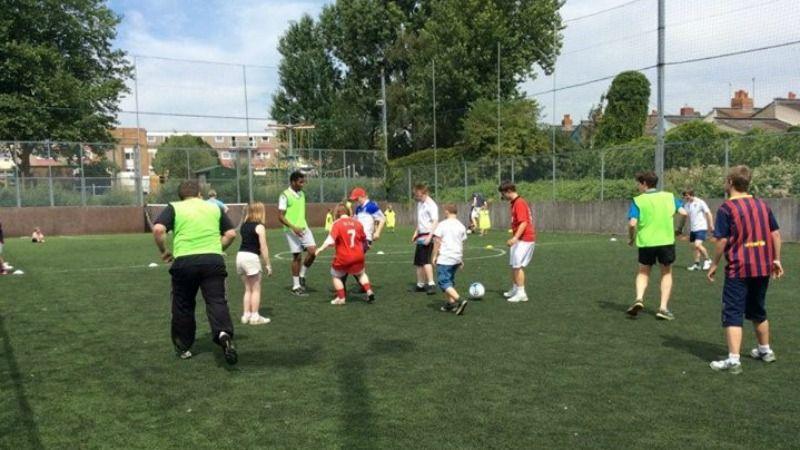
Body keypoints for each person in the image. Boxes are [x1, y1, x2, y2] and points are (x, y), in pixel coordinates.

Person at [707, 166, 784, 374]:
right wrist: (776, 260)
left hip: (738, 269)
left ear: (730, 182)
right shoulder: (762, 205)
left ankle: (733, 360)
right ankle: (765, 350)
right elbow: (775, 234)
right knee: (758, 309)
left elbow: (722, 240)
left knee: (733, 312)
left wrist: (714, 264)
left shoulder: (726, 209)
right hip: (762, 267)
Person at [152, 180, 238, 365]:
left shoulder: (175, 207)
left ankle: (184, 347)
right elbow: (231, 233)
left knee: (183, 305)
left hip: (184, 262)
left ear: (180, 196)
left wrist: (163, 251)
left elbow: (158, 229)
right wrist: (217, 247)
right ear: (200, 193)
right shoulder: (214, 208)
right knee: (216, 300)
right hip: (212, 261)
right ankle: (223, 334)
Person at [626, 171, 687, 321]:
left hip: (646, 242)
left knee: (643, 272)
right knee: (666, 273)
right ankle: (663, 308)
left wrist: (631, 238)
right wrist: (679, 229)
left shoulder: (638, 200)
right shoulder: (669, 197)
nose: (638, 187)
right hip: (666, 241)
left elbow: (632, 223)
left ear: (644, 184)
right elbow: (684, 213)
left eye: (639, 184)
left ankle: (639, 298)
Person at [316, 204, 375, 306]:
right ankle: (369, 291)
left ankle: (341, 297)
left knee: (335, 275)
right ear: (348, 212)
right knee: (361, 274)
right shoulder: (358, 223)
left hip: (344, 257)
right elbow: (363, 239)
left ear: (337, 213)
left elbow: (330, 240)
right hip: (358, 255)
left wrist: (320, 248)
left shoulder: (337, 224)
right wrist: (367, 246)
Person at [278, 171, 317, 296]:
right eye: (300, 182)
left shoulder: (302, 194)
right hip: (291, 231)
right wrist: (293, 227)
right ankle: (296, 286)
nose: (302, 184)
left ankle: (302, 275)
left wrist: (301, 226)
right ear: (293, 182)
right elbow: (280, 216)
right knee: (297, 257)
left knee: (312, 251)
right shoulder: (284, 195)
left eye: (303, 182)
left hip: (304, 228)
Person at [236, 202, 273, 325]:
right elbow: (263, 247)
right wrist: (268, 264)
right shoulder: (260, 226)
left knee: (247, 289)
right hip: (251, 258)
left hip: (240, 256)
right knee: (256, 289)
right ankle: (255, 316)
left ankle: (246, 315)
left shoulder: (244, 226)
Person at [498, 182, 536, 303]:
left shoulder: (519, 203)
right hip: (519, 239)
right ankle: (515, 289)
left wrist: (515, 238)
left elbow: (524, 222)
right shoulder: (514, 203)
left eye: (503, 194)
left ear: (509, 191)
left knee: (517, 266)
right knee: (514, 264)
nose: (502, 196)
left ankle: (521, 293)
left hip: (525, 239)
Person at [432, 204, 469, 315]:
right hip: (456, 258)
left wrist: (434, 256)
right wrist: (461, 258)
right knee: (450, 281)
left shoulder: (442, 225)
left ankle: (460, 301)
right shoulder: (461, 226)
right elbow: (461, 243)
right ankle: (450, 304)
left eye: (444, 211)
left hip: (445, 258)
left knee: (443, 282)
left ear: (447, 211)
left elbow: (437, 241)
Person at [411, 183, 439, 295]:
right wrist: (415, 232)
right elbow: (420, 221)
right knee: (418, 262)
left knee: (426, 261)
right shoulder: (420, 203)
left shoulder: (431, 205)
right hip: (421, 235)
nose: (418, 198)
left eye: (419, 196)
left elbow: (435, 221)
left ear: (425, 193)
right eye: (416, 196)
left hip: (428, 235)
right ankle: (420, 285)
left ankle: (431, 284)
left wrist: (430, 236)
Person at [681, 189, 714, 271]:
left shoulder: (700, 202)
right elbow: (685, 216)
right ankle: (697, 264)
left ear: (691, 194)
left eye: (687, 196)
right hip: (693, 229)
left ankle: (708, 260)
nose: (686, 198)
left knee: (697, 245)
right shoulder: (687, 205)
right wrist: (680, 228)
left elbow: (708, 213)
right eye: (685, 196)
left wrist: (711, 225)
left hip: (701, 227)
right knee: (694, 247)